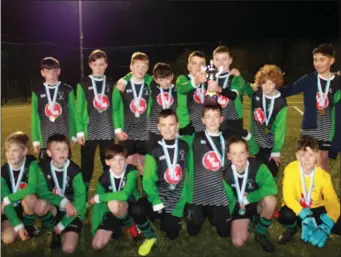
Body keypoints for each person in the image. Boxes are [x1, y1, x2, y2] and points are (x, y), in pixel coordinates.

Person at [280, 43, 341, 172]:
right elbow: (290, 89)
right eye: (315, 60)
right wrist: (269, 90)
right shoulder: (309, 79)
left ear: (332, 61)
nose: (318, 63)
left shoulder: (337, 82)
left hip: (327, 130)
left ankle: (322, 191)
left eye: (322, 60)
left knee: (322, 163)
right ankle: (305, 190)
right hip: (309, 129)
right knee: (305, 161)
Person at [90, 144, 157, 256]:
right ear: (107, 162)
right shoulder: (104, 178)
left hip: (132, 204)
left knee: (124, 206)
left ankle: (150, 235)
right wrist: (95, 229)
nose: (118, 163)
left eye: (121, 159)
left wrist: (100, 197)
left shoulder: (132, 171)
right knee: (97, 244)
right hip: (115, 211)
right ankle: (129, 225)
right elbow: (97, 207)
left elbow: (125, 195)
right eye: (114, 159)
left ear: (126, 160)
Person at [277, 135, 340, 247]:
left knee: (338, 222)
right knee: (285, 215)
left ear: (317, 155)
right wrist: (304, 215)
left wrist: (327, 225)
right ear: (297, 155)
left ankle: (319, 228)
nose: (306, 159)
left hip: (316, 208)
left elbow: (332, 201)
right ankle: (292, 230)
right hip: (297, 208)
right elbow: (289, 197)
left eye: (310, 155)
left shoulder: (323, 176)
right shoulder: (291, 170)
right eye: (302, 155)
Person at [142, 109, 191, 240]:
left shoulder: (185, 146)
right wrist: (156, 200)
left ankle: (177, 216)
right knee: (137, 209)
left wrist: (184, 200)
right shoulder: (154, 150)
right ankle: (153, 218)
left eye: (171, 124)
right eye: (163, 125)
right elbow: (147, 180)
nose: (167, 129)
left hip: (178, 197)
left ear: (178, 125)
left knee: (171, 234)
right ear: (158, 127)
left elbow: (189, 174)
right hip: (160, 195)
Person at [223, 136, 278, 252]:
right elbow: (229, 201)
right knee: (238, 242)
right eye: (234, 153)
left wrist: (249, 198)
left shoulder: (258, 167)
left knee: (270, 201)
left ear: (247, 153)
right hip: (240, 207)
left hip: (257, 202)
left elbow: (272, 188)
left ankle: (260, 233)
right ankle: (251, 221)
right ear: (229, 156)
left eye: (242, 152)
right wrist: (230, 217)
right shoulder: (226, 175)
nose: (238, 157)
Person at [185, 105, 232, 238]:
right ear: (203, 120)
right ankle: (202, 213)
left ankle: (213, 214)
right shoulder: (194, 139)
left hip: (219, 192)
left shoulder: (228, 140)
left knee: (225, 233)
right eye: (208, 117)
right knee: (192, 231)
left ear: (222, 119)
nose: (212, 120)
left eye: (216, 116)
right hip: (198, 192)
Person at [35, 134, 86, 252]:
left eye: (65, 148)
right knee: (40, 206)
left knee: (68, 249)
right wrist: (63, 202)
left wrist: (63, 224)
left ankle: (62, 229)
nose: (62, 152)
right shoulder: (42, 168)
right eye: (57, 149)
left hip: (73, 211)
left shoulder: (75, 171)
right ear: (48, 153)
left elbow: (80, 201)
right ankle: (53, 229)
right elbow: (42, 192)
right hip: (54, 207)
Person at [76, 49, 115, 193]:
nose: (98, 68)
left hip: (107, 129)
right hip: (89, 130)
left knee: (108, 163)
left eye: (101, 64)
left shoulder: (111, 83)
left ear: (106, 65)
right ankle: (83, 195)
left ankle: (108, 191)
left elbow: (115, 107)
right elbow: (79, 109)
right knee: (87, 165)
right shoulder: (83, 83)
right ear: (90, 65)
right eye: (95, 64)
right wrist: (80, 130)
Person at [113, 52, 153, 174]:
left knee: (143, 163)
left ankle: (145, 192)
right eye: (137, 66)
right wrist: (118, 129)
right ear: (131, 66)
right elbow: (114, 107)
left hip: (145, 131)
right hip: (127, 131)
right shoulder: (121, 85)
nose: (140, 70)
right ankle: (131, 191)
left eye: (144, 67)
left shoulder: (150, 84)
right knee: (128, 163)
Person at [31, 57, 76, 160]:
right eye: (48, 71)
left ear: (59, 71)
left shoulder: (67, 90)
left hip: (63, 135)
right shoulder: (37, 92)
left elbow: (73, 114)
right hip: (45, 137)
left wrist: (73, 134)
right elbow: (34, 116)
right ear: (42, 73)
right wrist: (36, 139)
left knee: (63, 168)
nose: (51, 75)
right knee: (45, 170)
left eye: (54, 71)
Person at [1, 131, 40, 244]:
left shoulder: (31, 163)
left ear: (25, 151)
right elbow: (4, 201)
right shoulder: (2, 172)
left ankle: (28, 226)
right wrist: (17, 226)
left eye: (14, 150)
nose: (10, 154)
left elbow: (32, 188)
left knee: (30, 198)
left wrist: (8, 199)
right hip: (9, 209)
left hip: (24, 205)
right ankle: (15, 225)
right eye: (8, 150)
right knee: (8, 239)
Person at [251, 65, 288, 178]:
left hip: (271, 145)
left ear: (276, 84)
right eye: (264, 83)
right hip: (256, 143)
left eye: (271, 83)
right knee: (257, 176)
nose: (267, 87)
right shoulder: (256, 95)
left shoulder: (281, 103)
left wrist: (276, 151)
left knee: (271, 176)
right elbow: (244, 88)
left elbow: (280, 129)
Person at [208, 45, 246, 138]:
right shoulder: (210, 78)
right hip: (215, 120)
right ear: (213, 61)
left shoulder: (236, 77)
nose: (221, 63)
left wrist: (218, 89)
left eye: (224, 59)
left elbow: (233, 95)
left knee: (233, 149)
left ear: (230, 60)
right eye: (217, 59)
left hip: (233, 120)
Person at [148, 63, 178, 149]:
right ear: (156, 79)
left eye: (167, 78)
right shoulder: (152, 88)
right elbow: (139, 74)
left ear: (172, 76)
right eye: (161, 79)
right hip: (154, 129)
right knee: (154, 153)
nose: (165, 82)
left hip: (170, 130)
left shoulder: (177, 90)